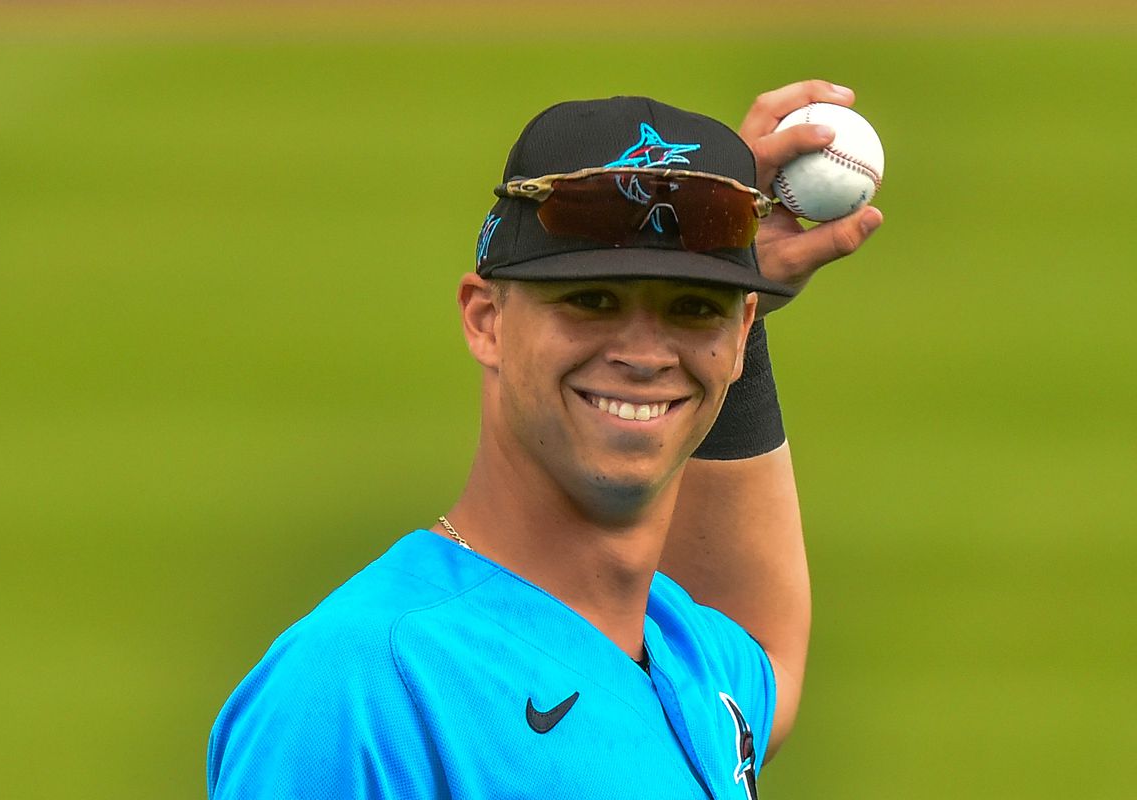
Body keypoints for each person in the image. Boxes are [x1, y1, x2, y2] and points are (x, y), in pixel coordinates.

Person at [207, 80, 882, 799]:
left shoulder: (692, 658)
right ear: (485, 319)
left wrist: (737, 277)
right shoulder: (362, 687)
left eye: (693, 309)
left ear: (741, 333)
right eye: (592, 301)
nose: (646, 353)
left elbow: (764, 654)